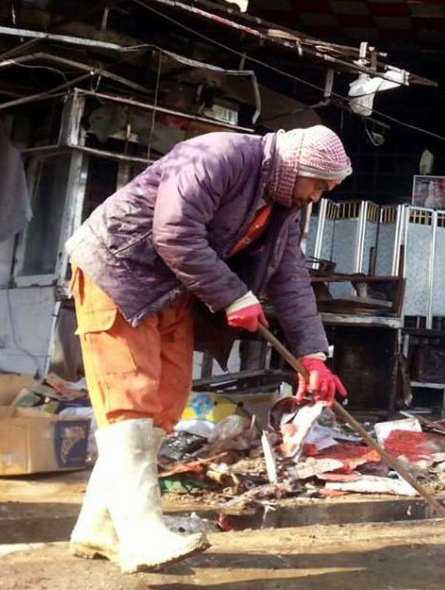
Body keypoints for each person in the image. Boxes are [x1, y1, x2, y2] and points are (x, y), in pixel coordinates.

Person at [65, 125, 351, 573]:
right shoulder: (218, 154)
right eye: (318, 185)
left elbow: (290, 277)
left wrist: (313, 354)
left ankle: (99, 526)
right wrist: (234, 295)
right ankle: (140, 534)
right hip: (118, 269)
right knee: (131, 400)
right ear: (296, 168)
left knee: (165, 403)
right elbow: (174, 231)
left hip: (173, 288)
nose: (317, 196)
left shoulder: (284, 203)